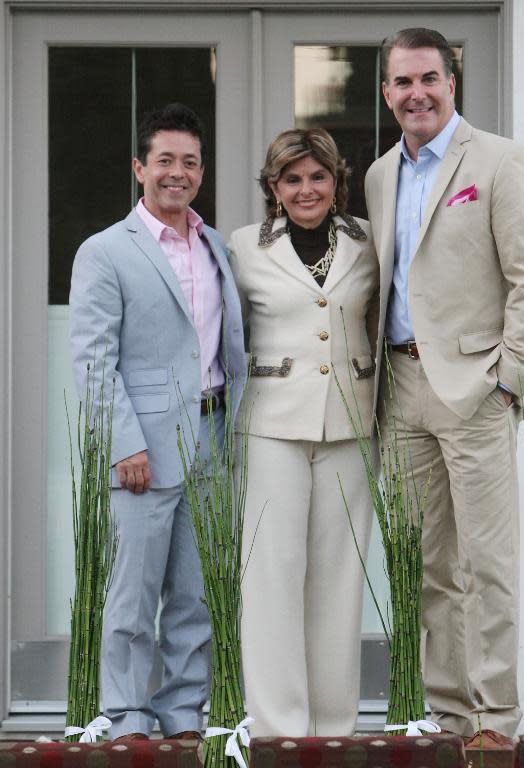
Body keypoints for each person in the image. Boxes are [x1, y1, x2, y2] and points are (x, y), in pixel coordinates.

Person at [365, 28, 524, 747]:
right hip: (401, 390)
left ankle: (496, 721)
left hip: (475, 390)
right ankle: (448, 715)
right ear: (386, 93)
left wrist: (507, 383)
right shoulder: (382, 174)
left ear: (452, 82)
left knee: (487, 564)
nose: (416, 93)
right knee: (426, 566)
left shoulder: (500, 161)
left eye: (428, 79)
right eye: (401, 83)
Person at [69, 103, 247, 741]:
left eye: (190, 162)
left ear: (202, 172)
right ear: (140, 168)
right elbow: (94, 360)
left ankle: (182, 714)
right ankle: (126, 714)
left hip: (212, 437)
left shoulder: (215, 244)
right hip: (142, 445)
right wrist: (123, 444)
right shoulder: (106, 251)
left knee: (196, 597)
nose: (178, 172)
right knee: (133, 595)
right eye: (165, 160)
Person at [229, 127, 378, 737]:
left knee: (341, 580)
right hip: (271, 427)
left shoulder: (367, 240)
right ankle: (278, 728)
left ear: (336, 181)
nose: (306, 188)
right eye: (292, 178)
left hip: (351, 424)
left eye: (318, 176)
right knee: (271, 576)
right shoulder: (241, 246)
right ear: (273, 187)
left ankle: (335, 727)